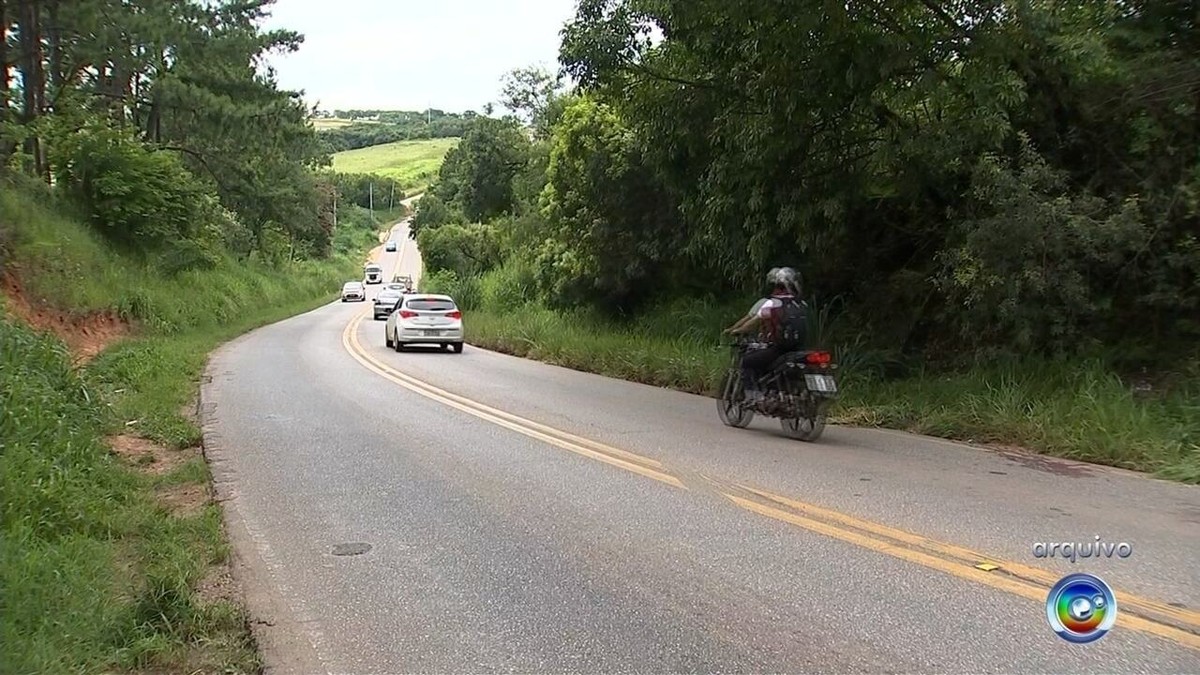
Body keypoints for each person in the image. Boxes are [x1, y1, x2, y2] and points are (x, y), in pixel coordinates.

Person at [723, 267, 808, 401]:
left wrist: (738, 331)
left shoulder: (773, 303)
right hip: (800, 349)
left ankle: (753, 395)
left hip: (779, 349)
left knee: (747, 361)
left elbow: (754, 321)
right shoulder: (802, 304)